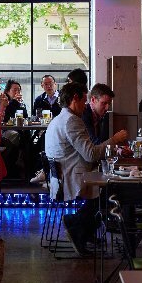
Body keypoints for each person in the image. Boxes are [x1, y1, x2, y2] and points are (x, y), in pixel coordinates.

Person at [45, 82, 128, 256]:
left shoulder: (60, 118)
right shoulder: (72, 121)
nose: (85, 106)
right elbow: (90, 154)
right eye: (84, 100)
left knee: (107, 190)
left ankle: (81, 228)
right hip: (71, 178)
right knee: (112, 192)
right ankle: (77, 227)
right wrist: (113, 140)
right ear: (75, 98)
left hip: (60, 176)